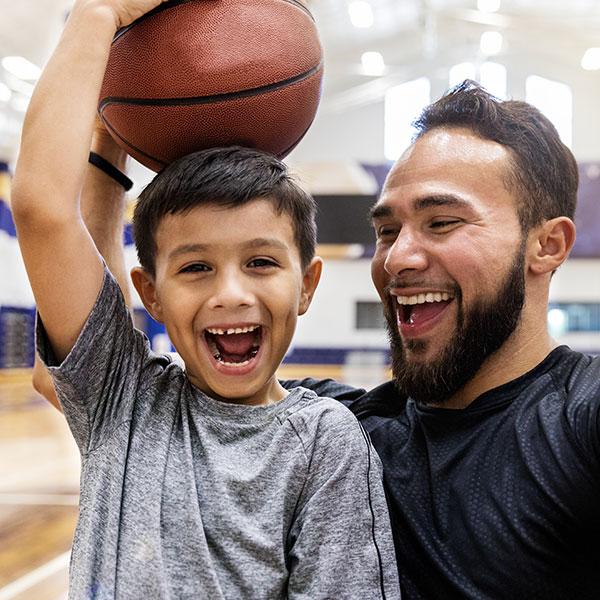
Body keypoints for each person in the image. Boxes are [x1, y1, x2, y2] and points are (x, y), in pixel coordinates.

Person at [11, 1, 400, 598]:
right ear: (150, 295)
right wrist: (99, 19)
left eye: (262, 262)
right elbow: (42, 207)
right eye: (195, 267)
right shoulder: (123, 401)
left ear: (308, 285)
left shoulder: (327, 441)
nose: (231, 293)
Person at [289, 80, 600, 599]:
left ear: (547, 245)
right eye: (387, 231)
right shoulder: (342, 432)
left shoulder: (582, 419)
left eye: (442, 222)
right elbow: (111, 373)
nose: (397, 258)